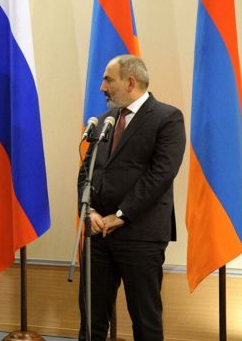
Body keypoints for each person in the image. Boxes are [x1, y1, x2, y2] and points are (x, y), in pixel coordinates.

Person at [77, 55, 186, 341]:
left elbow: (161, 175)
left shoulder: (167, 118)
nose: (102, 87)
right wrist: (89, 211)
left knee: (145, 320)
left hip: (140, 235)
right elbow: (86, 171)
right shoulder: (104, 121)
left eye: (108, 80)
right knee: (91, 321)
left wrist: (121, 215)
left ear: (130, 82)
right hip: (98, 234)